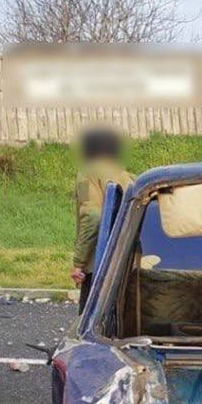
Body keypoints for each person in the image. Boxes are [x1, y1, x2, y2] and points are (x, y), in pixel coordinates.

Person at [72, 127, 132, 312]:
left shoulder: (87, 174)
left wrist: (78, 263)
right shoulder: (124, 175)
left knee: (89, 322)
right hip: (123, 259)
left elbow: (92, 217)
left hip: (98, 263)